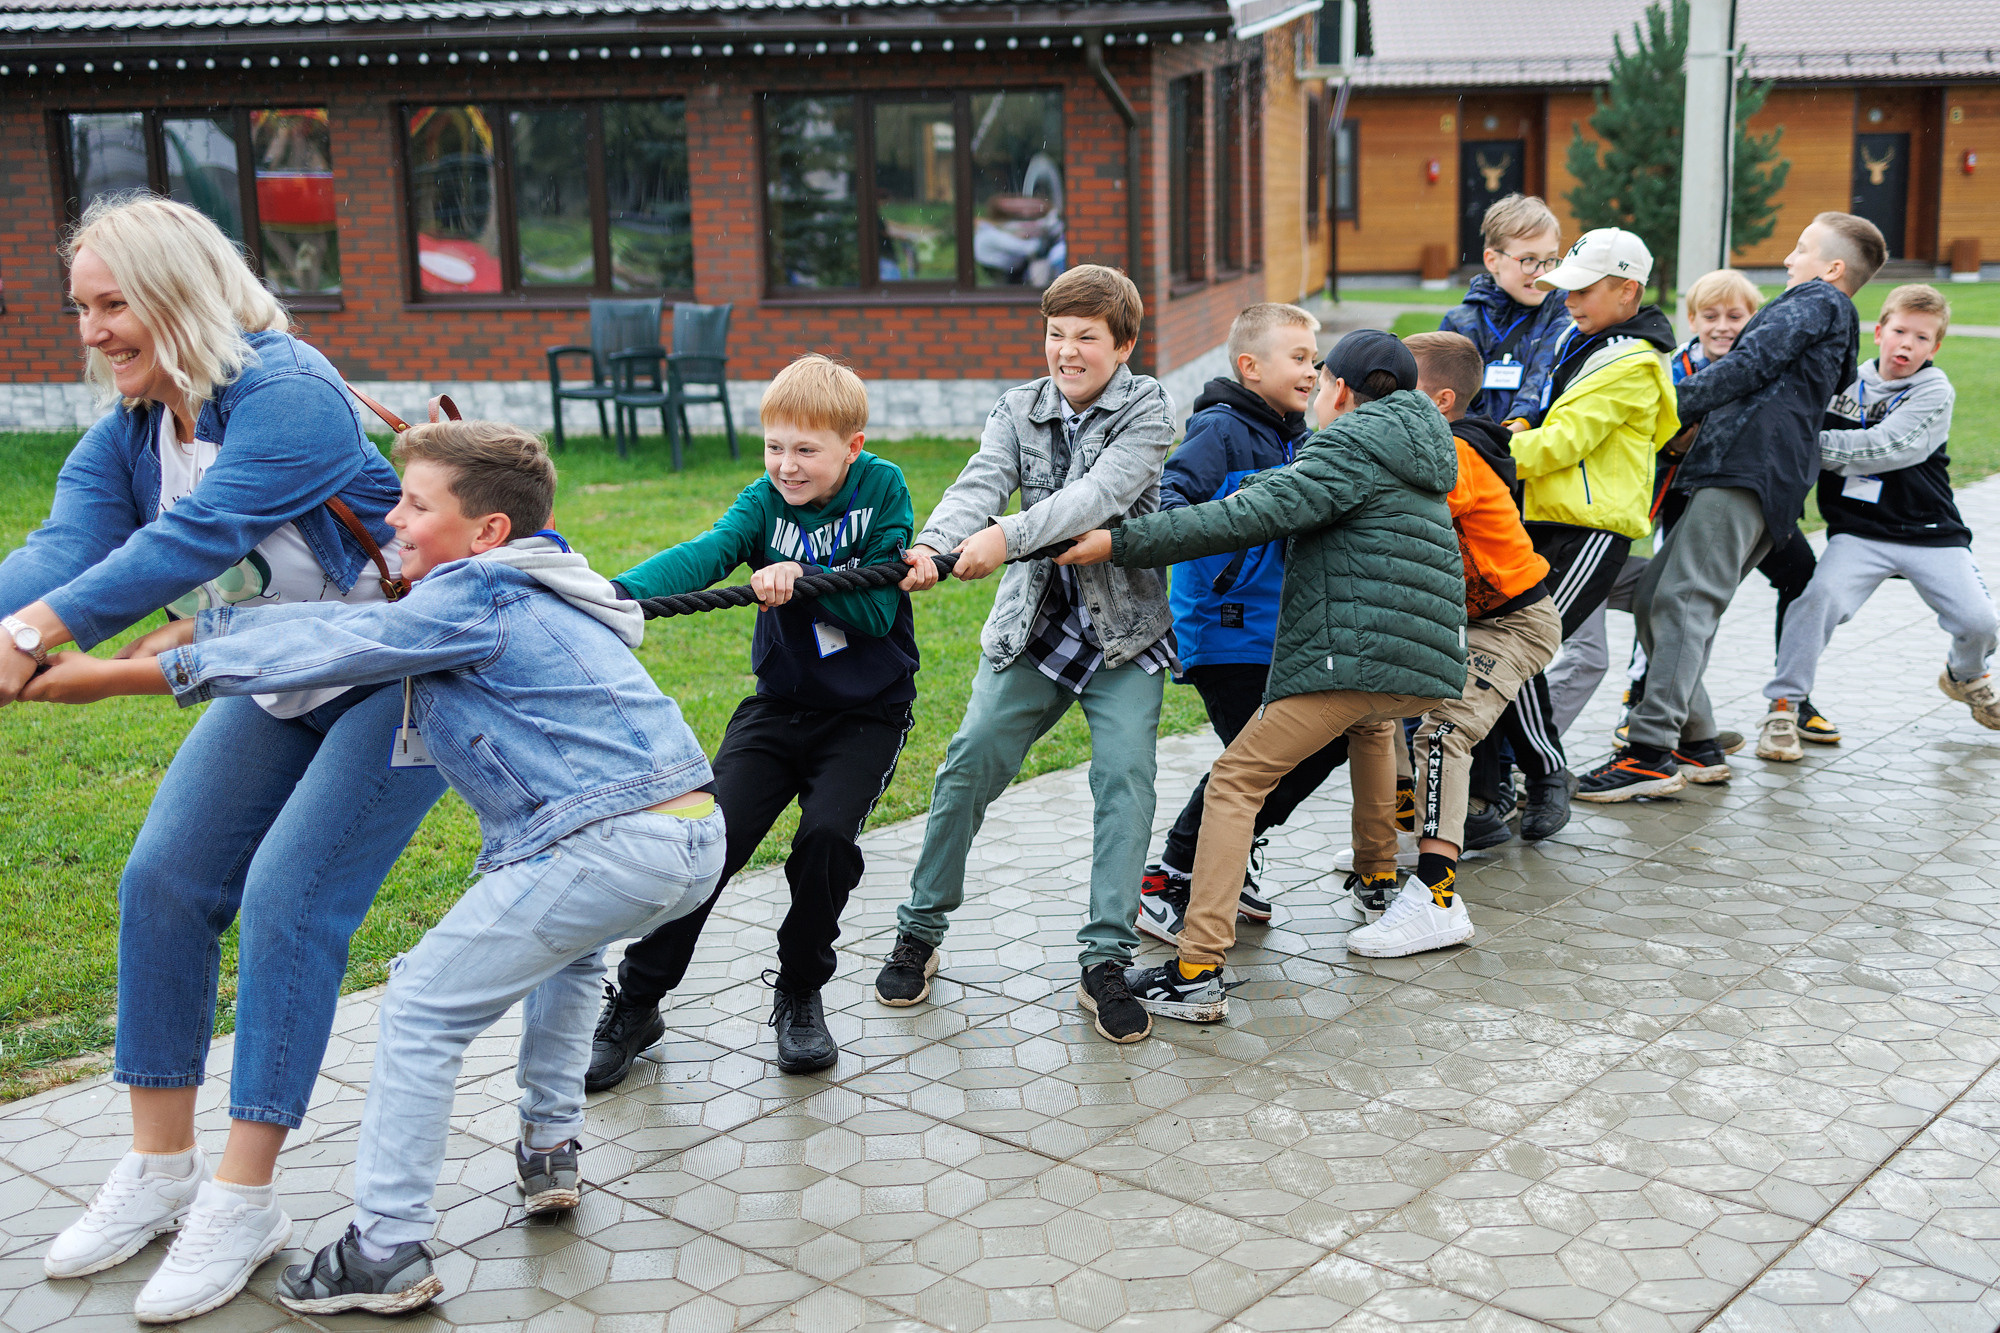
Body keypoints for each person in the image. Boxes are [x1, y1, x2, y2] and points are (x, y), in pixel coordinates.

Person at [27, 420, 726, 1317]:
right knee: (572, 955)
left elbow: (340, 646)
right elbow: (359, 620)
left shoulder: (474, 592)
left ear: (488, 531)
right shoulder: (546, 578)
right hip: (688, 831)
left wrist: (133, 672)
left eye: (416, 504)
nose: (392, 519)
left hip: (606, 844)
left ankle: (385, 1247)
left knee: (422, 1005)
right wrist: (213, 624)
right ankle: (550, 1145)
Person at [11, 196, 447, 1324]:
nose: (93, 331)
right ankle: (161, 1168)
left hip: (398, 672)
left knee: (288, 898)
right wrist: (12, 615)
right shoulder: (135, 429)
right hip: (275, 675)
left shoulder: (287, 391)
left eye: (114, 305)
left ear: (177, 294)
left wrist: (33, 634)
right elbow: (65, 546)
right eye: (82, 307)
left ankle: (244, 1198)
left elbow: (190, 541)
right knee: (163, 880)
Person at [1061, 331, 1466, 1022]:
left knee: (1236, 781)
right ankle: (1376, 877)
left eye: (1320, 377)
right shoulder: (1418, 447)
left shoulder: (1349, 444)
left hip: (1355, 655)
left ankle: (1196, 968)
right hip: (1422, 664)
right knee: (1370, 726)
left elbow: (1243, 518)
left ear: (1341, 388)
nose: (1314, 389)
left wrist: (1118, 542)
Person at [587, 355, 923, 1085]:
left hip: (867, 712)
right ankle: (637, 1001)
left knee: (824, 840)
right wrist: (614, 595)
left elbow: (875, 610)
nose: (787, 466)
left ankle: (799, 991)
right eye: (774, 447)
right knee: (710, 843)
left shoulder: (882, 488)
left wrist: (803, 580)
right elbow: (707, 553)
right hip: (779, 707)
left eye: (806, 450)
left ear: (852, 447)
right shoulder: (763, 501)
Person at [872, 264, 1176, 1045]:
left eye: (1086, 337)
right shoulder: (1018, 408)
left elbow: (1095, 498)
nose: (1066, 351)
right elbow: (979, 484)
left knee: (1126, 782)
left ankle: (1105, 960)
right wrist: (935, 543)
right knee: (969, 760)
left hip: (1122, 634)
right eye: (1055, 333)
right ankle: (919, 930)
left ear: (1124, 346)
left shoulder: (1148, 408)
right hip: (1033, 629)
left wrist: (1004, 537)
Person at [1581, 212, 1884, 801]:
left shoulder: (1817, 300)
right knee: (1655, 596)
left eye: (1801, 248)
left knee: (1682, 600)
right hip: (1748, 471)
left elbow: (1747, 366)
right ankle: (1696, 743)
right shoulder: (1827, 312)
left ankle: (1648, 753)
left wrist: (1656, 408)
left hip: (1746, 471)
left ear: (1833, 268)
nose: (1789, 258)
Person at [1134, 303, 1350, 946]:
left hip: (1279, 633)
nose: (1311, 371)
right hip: (1225, 631)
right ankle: (1169, 878)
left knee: (1311, 747)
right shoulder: (1219, 429)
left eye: (1315, 360)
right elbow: (1170, 503)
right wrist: (1243, 514)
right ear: (1250, 366)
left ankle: (1231, 853)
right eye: (1298, 358)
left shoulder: (1297, 435)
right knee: (1260, 761)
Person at [1354, 332, 1561, 957]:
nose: (1382, 400)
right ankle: (1398, 840)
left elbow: (1405, 511)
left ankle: (1438, 897)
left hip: (1513, 622)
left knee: (1444, 731)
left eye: (1400, 388)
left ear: (1441, 402)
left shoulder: (1454, 451)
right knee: (1373, 702)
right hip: (1461, 618)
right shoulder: (1425, 443)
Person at [1758, 284, 1999, 758]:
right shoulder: (1843, 383)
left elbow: (1886, 448)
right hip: (1859, 534)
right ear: (1879, 331)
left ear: (1935, 347)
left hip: (1930, 532)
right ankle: (1784, 705)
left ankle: (1966, 675)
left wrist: (1801, 448)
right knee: (1815, 601)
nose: (1907, 344)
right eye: (1900, 331)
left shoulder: (1935, 390)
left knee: (1981, 621)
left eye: (1922, 338)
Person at [1490, 228, 1679, 832]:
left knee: (1516, 648)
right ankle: (1511, 781)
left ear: (1628, 291)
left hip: (1589, 530)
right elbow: (1543, 409)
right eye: (1565, 288)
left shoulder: (1633, 361)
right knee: (1508, 648)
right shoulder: (1582, 339)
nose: (1568, 300)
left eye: (1583, 289)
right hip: (1544, 519)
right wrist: (1513, 428)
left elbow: (1563, 443)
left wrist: (1480, 454)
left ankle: (1537, 777)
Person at [1440, 193, 1573, 426]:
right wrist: (1479, 437)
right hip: (1471, 444)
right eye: (1528, 259)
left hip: (1530, 442)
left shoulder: (1563, 311)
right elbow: (1446, 396)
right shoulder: (1460, 322)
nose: (1541, 273)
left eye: (1551, 259)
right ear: (1492, 261)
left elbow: (1541, 376)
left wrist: (1515, 427)